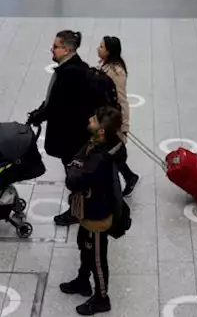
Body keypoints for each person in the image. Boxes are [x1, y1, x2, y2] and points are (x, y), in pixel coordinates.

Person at [60, 106, 124, 315]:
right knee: (84, 247)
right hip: (89, 209)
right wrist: (77, 163)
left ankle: (101, 298)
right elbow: (79, 156)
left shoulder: (99, 159)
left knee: (97, 258)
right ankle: (82, 281)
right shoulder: (101, 143)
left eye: (94, 120)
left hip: (97, 214)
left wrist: (75, 166)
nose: (90, 120)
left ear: (102, 131)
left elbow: (74, 180)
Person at [27, 30, 90, 226]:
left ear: (67, 49)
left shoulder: (69, 74)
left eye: (55, 46)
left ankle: (77, 211)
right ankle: (80, 204)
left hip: (72, 135)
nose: (51, 49)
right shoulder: (74, 67)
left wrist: (40, 115)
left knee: (75, 173)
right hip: (75, 132)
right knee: (74, 170)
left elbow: (58, 105)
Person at [97, 36, 138, 196]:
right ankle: (129, 176)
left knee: (112, 151)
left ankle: (128, 177)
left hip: (112, 120)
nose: (98, 49)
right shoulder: (106, 66)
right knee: (112, 151)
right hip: (104, 116)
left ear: (108, 51)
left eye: (101, 47)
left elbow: (122, 100)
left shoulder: (116, 72)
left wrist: (124, 125)